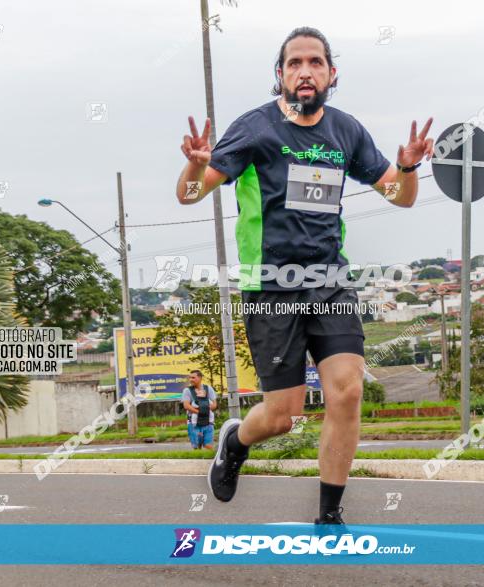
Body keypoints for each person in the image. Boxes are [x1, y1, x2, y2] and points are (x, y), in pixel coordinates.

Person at [176, 27, 434, 524]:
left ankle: (330, 514)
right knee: (283, 415)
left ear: (332, 73)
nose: (305, 71)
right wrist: (192, 169)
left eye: (315, 62)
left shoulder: (346, 131)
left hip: (330, 281)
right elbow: (189, 195)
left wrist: (407, 168)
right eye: (295, 64)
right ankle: (236, 440)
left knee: (348, 389)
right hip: (271, 284)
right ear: (280, 76)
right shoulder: (254, 128)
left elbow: (399, 196)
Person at [181, 370, 217, 450]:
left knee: (208, 446)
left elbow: (214, 404)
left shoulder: (208, 389)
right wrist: (200, 412)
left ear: (200, 378)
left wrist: (204, 411)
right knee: (197, 447)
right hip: (194, 423)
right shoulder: (187, 391)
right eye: (190, 378)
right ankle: (198, 459)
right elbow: (186, 406)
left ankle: (209, 460)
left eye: (193, 377)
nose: (191, 380)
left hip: (208, 422)